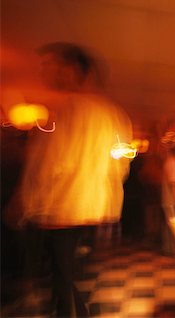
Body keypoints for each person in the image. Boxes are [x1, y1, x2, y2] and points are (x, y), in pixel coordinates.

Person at [4, 42, 133, 317]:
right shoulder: (112, 114)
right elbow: (121, 165)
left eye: (49, 65)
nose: (44, 71)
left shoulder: (66, 109)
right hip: (90, 208)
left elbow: (50, 164)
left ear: (71, 69)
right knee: (63, 275)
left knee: (58, 277)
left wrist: (22, 202)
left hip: (59, 208)